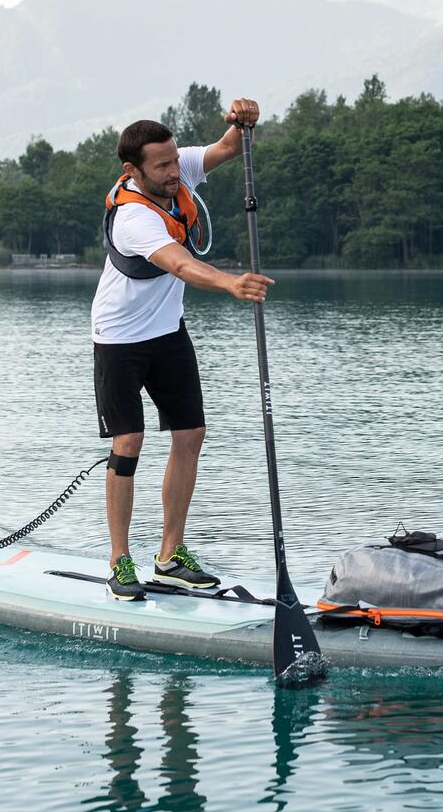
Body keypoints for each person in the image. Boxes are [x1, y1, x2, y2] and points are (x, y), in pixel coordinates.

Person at [91, 100, 272, 600]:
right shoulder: (133, 218)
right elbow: (181, 264)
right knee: (129, 444)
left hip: (167, 332)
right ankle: (119, 561)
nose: (175, 172)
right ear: (133, 170)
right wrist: (232, 284)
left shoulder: (178, 169)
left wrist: (241, 120)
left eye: (175, 161)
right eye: (163, 166)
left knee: (190, 433)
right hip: (119, 339)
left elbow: (228, 148)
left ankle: (170, 555)